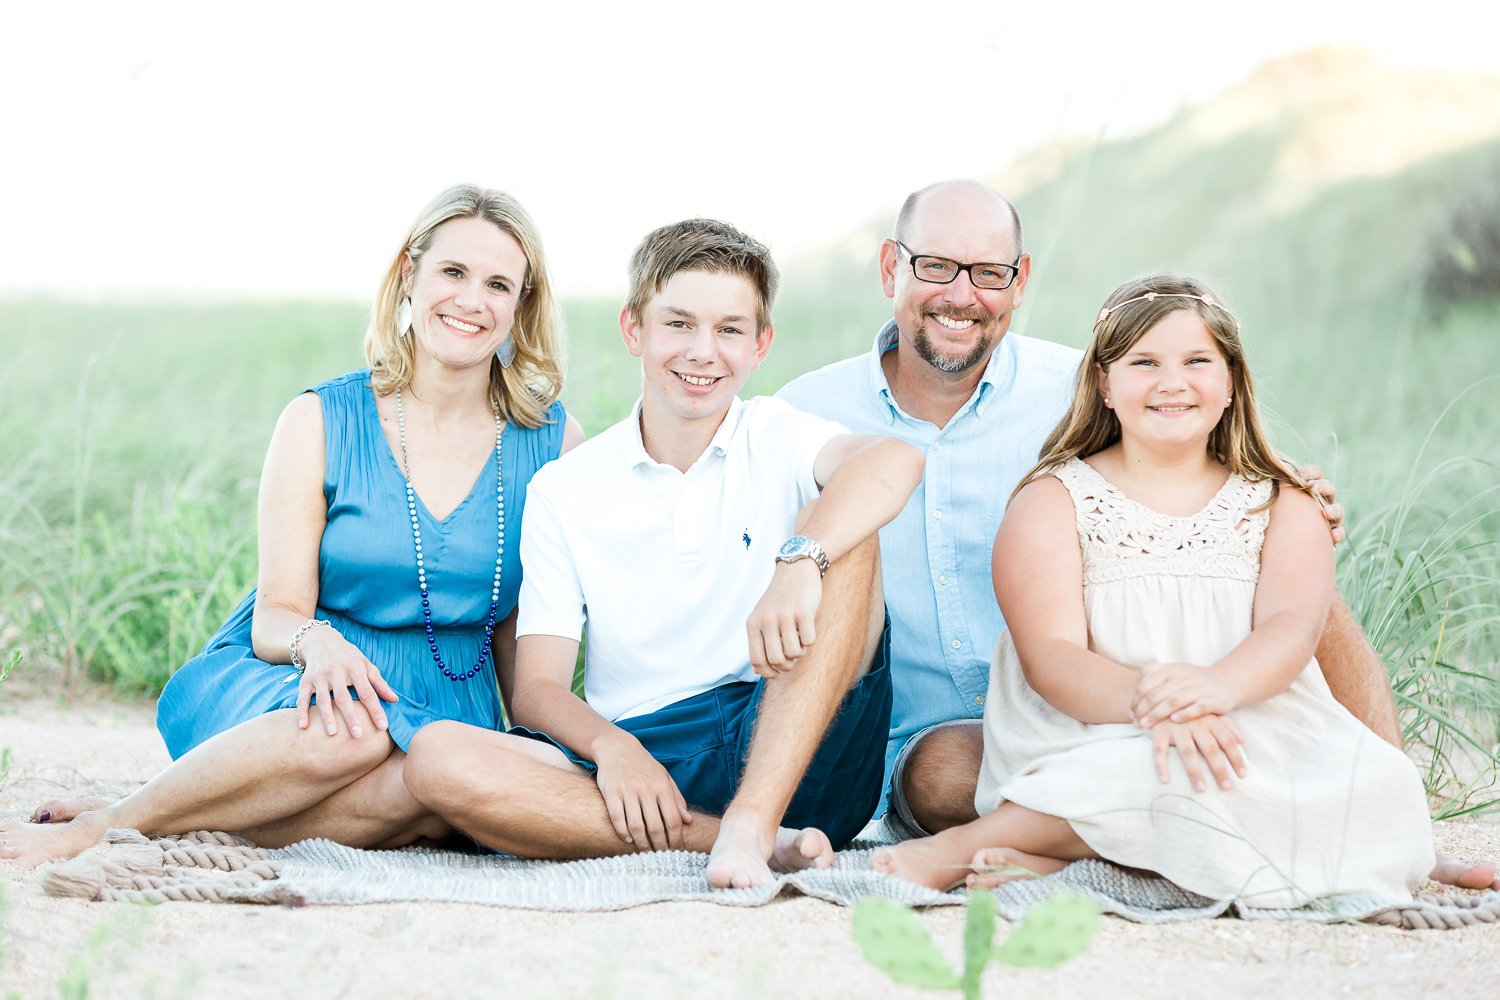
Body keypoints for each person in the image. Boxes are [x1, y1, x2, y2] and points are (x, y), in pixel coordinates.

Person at [777, 179, 1496, 891]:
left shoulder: (1087, 383)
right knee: (947, 777)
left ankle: (1398, 826)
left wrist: (1287, 502)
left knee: (1291, 588)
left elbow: (1197, 463)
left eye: (988, 273)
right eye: (934, 266)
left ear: (1019, 281)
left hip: (1186, 691)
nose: (961, 295)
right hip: (987, 727)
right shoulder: (806, 416)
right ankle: (1090, 837)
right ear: (889, 269)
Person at [1, 184, 583, 868]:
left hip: (445, 700)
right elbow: (275, 614)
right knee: (356, 727)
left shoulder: (555, 443)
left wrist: (533, 747)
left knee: (428, 787)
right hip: (289, 681)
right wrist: (320, 643)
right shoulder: (318, 420)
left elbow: (524, 635)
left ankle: (194, 810)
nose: (470, 300)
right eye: (452, 272)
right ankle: (111, 824)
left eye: (497, 284)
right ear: (409, 276)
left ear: (522, 306)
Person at [869, 275, 1436, 902]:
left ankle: (1080, 863)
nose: (1172, 381)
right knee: (1151, 767)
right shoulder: (1054, 502)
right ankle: (956, 849)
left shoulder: (1282, 503)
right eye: (1145, 362)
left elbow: (1291, 629)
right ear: (1105, 385)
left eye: (1197, 361)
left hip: (1250, 721)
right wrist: (1158, 705)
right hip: (1100, 727)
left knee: (1380, 786)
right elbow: (1051, 657)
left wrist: (1212, 692)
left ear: (1231, 384)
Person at [401, 218, 925, 888]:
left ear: (760, 344)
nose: (702, 352)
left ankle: (752, 823)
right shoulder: (566, 488)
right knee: (438, 759)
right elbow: (535, 688)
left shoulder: (776, 434)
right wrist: (614, 748)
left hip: (795, 733)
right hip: (649, 757)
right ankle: (748, 841)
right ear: (634, 331)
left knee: (849, 525)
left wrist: (800, 559)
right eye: (678, 324)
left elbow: (895, 459)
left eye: (730, 330)